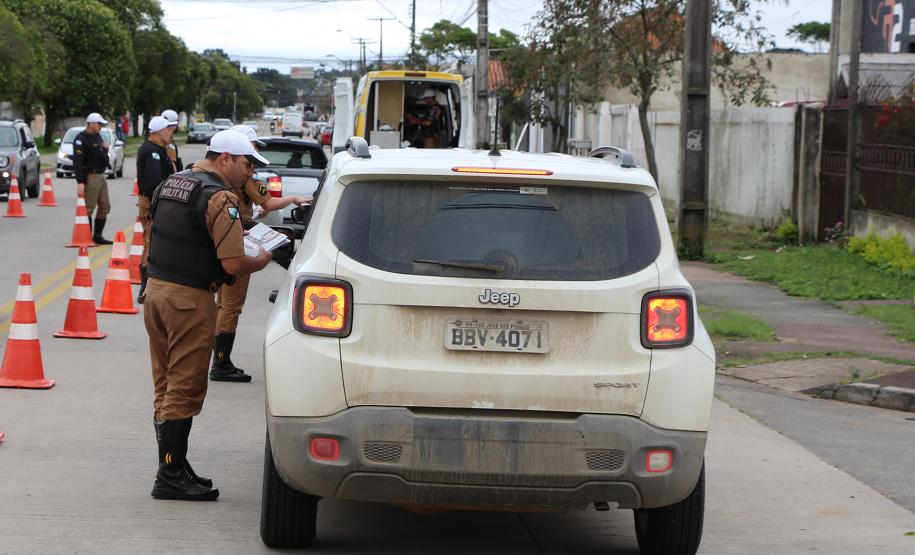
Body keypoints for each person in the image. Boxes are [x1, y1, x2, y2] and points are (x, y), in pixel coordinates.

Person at [144, 130, 273, 501]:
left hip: (157, 292)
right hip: (189, 300)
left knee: (165, 384)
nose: (251, 172)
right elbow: (233, 263)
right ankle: (169, 475)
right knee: (184, 387)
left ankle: (174, 465)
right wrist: (262, 259)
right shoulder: (220, 197)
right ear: (225, 159)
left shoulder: (172, 183)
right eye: (247, 164)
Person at [208, 125, 312, 383]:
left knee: (222, 304)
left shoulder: (218, 178)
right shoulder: (242, 179)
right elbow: (267, 203)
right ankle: (220, 362)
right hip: (237, 239)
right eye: (252, 149)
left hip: (224, 240)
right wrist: (292, 199)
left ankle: (219, 359)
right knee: (230, 305)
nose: (253, 158)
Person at [135, 115, 177, 304]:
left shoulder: (159, 149)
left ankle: (150, 285)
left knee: (154, 243)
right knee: (150, 243)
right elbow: (154, 183)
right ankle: (145, 288)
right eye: (167, 129)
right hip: (153, 203)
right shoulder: (151, 151)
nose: (170, 133)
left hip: (156, 202)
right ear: (158, 131)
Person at [73, 113, 113, 245]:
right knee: (88, 208)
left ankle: (98, 235)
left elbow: (104, 160)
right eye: (99, 124)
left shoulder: (98, 137)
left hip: (101, 175)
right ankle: (86, 236)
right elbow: (78, 162)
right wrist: (80, 181)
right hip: (90, 176)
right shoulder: (81, 139)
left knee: (105, 206)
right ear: (91, 124)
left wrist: (106, 150)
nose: (100, 126)